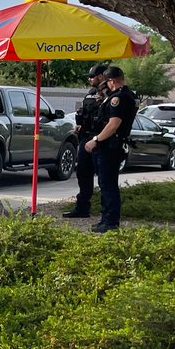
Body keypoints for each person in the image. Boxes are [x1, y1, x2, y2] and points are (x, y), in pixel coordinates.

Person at [84, 66, 138, 232]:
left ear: (111, 81)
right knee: (106, 184)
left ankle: (110, 222)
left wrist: (95, 140)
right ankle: (106, 219)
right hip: (111, 146)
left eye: (106, 82)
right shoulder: (124, 95)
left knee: (108, 185)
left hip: (110, 146)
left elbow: (113, 124)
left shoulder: (119, 98)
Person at [63, 63, 110, 218]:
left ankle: (107, 214)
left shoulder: (111, 94)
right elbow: (86, 114)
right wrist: (80, 126)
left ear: (102, 76)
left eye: (92, 76)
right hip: (85, 137)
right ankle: (82, 208)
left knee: (104, 179)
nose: (90, 79)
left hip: (101, 139)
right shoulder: (90, 93)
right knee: (83, 174)